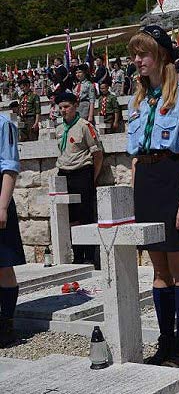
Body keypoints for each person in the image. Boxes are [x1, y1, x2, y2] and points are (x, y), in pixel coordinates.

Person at [127, 25, 179, 368]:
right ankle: (166, 340)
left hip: (174, 179)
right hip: (147, 181)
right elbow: (135, 157)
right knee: (158, 268)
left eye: (143, 53)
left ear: (160, 56)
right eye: (135, 54)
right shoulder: (140, 98)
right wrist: (133, 196)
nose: (137, 60)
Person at [55, 91, 104, 265]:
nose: (63, 110)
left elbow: (97, 154)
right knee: (71, 218)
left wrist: (92, 178)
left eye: (67, 107)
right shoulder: (59, 128)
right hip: (64, 174)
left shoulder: (84, 126)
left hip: (81, 173)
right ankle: (77, 255)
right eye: (60, 107)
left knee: (85, 216)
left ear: (75, 106)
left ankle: (89, 256)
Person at [0, 114, 26, 346]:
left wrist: (2, 206)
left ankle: (6, 324)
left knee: (3, 264)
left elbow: (9, 168)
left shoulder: (3, 124)